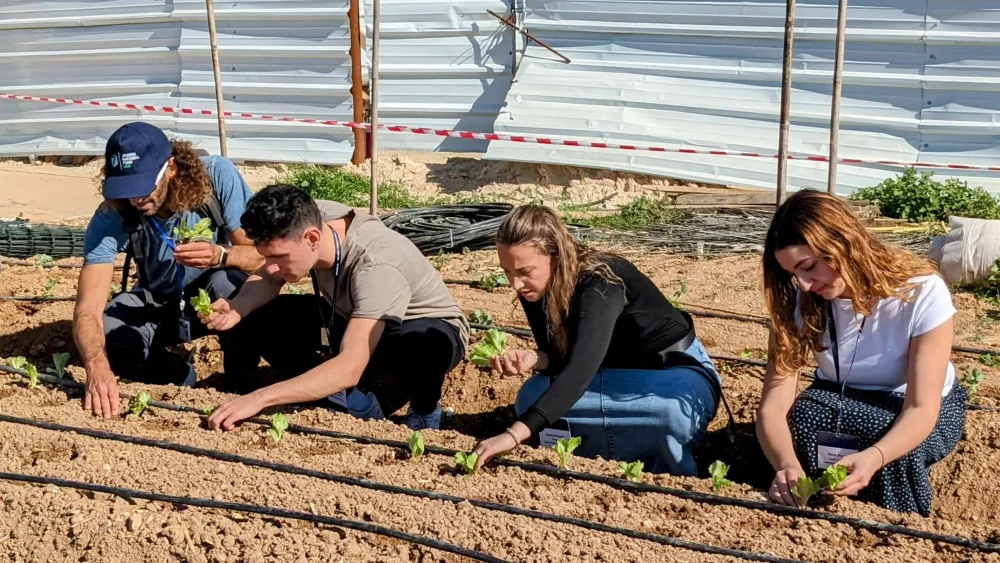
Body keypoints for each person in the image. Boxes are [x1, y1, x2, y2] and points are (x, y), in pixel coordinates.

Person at [756, 189, 965, 516]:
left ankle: (901, 528)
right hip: (840, 394)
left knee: (899, 451)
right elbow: (774, 405)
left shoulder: (921, 291)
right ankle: (814, 520)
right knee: (803, 422)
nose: (805, 284)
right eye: (794, 275)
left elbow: (922, 407)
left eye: (809, 266)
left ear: (841, 242)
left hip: (912, 402)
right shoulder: (801, 302)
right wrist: (786, 465)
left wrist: (875, 456)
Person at [471, 205, 722, 474]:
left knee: (668, 413)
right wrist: (537, 358)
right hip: (608, 376)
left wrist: (512, 435)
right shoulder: (535, 288)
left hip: (670, 374)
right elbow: (564, 360)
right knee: (531, 397)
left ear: (555, 256)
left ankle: (671, 472)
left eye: (525, 271)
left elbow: (578, 371)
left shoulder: (600, 283)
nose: (516, 284)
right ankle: (599, 462)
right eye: (507, 272)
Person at [200, 184, 469, 431]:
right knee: (256, 316)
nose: (270, 267)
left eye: (279, 257)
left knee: (421, 349)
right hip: (348, 315)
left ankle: (422, 411)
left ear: (312, 238)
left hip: (412, 333)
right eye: (266, 256)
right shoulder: (308, 217)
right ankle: (322, 390)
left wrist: (261, 398)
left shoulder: (376, 264)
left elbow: (350, 365)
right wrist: (238, 307)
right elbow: (269, 278)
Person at [75, 122, 262, 418]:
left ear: (171, 168)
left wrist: (220, 255)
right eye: (126, 189)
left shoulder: (216, 178)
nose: (135, 199)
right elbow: (88, 308)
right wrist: (96, 365)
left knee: (232, 284)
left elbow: (262, 256)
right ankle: (179, 375)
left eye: (143, 186)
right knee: (110, 333)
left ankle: (240, 384)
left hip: (213, 301)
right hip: (157, 301)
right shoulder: (115, 211)